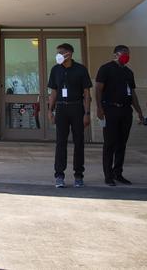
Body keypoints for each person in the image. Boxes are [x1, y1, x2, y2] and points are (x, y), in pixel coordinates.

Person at [95, 44, 145, 186]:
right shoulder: (105, 69)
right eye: (124, 53)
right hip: (110, 109)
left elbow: (132, 93)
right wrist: (99, 108)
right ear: (116, 54)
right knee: (109, 143)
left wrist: (139, 111)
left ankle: (118, 173)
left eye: (128, 54)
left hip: (125, 111)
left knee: (121, 144)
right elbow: (98, 89)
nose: (126, 56)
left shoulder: (129, 72)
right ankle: (108, 175)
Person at [46, 43, 92, 188]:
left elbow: (86, 93)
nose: (59, 54)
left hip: (77, 108)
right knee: (61, 142)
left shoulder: (81, 69)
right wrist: (50, 110)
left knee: (79, 142)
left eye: (62, 52)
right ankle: (59, 175)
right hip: (61, 109)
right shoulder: (55, 70)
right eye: (58, 52)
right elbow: (53, 92)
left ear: (70, 53)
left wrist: (87, 113)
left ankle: (79, 175)